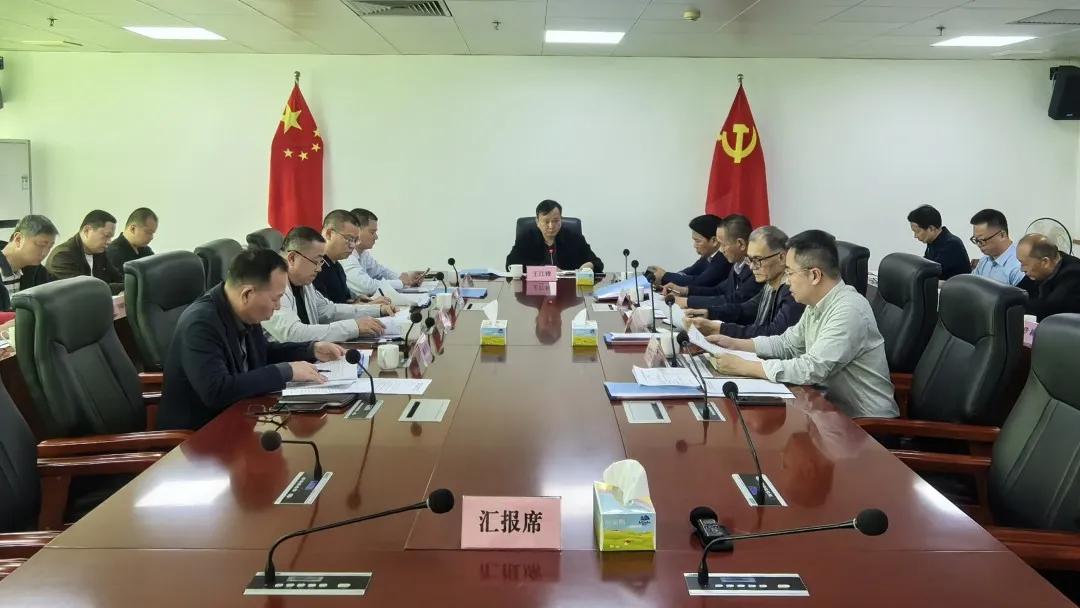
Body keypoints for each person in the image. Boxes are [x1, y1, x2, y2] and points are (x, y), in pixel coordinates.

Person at [707, 229, 898, 419]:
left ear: (815, 275)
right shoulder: (817, 303)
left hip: (865, 424)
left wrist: (745, 367)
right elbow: (787, 344)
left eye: (790, 272)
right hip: (826, 412)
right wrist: (734, 344)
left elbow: (812, 368)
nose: (787, 281)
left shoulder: (849, 310)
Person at [157, 248, 346, 430]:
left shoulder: (242, 309)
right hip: (201, 435)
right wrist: (285, 372)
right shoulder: (200, 323)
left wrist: (311, 349)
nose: (278, 307)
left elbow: (263, 352)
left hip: (242, 416)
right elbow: (217, 391)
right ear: (247, 294)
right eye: (275, 299)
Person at [263, 227, 392, 343]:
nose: (319, 269)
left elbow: (329, 311)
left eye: (321, 262)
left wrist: (377, 310)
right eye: (316, 262)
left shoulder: (303, 282)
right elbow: (292, 333)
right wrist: (353, 327)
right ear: (292, 258)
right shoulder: (272, 285)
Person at [687, 226, 804, 338]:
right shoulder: (770, 285)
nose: (752, 267)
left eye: (757, 260)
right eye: (750, 259)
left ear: (782, 258)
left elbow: (775, 334)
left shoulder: (793, 291)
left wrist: (719, 329)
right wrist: (709, 313)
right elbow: (745, 309)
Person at [670, 214, 761, 310]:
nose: (721, 250)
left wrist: (688, 302)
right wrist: (685, 291)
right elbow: (718, 290)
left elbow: (734, 300)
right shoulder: (737, 264)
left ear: (741, 244)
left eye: (723, 245)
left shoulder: (756, 270)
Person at [342, 208, 425, 297]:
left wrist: (406, 278)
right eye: (372, 232)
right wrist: (401, 282)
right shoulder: (346, 256)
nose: (376, 237)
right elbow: (366, 287)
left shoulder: (363, 254)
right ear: (357, 231)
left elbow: (381, 272)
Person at [311, 210, 388, 305]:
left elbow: (343, 301)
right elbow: (325, 310)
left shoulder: (337, 266)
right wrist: (365, 307)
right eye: (349, 239)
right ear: (329, 234)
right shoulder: (314, 266)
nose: (352, 245)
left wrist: (358, 301)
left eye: (355, 240)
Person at [505, 199, 604, 272]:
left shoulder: (574, 237)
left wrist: (590, 265)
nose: (551, 226)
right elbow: (510, 265)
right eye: (546, 221)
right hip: (535, 289)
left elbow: (597, 263)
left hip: (567, 289)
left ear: (561, 220)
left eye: (556, 221)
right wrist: (543, 271)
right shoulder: (526, 239)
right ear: (537, 221)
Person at [45, 209, 124, 294]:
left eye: (111, 237)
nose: (109, 242)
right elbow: (86, 290)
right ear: (87, 230)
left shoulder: (99, 252)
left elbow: (119, 279)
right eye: (106, 236)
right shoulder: (62, 256)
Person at [647, 214, 728, 288]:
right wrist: (663, 280)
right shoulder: (708, 256)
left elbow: (699, 282)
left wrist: (664, 276)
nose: (694, 246)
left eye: (698, 241)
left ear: (714, 241)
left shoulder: (723, 260)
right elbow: (689, 271)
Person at [0, 215, 58, 313]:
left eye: (50, 247)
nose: (45, 253)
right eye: (41, 245)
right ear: (18, 239)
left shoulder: (38, 271)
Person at [1016, 233, 1080, 321]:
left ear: (1045, 262)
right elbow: (1017, 294)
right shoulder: (1038, 270)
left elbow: (1048, 309)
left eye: (1024, 264)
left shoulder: (1074, 274)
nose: (1022, 269)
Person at [906, 204, 969, 280]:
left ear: (931, 228)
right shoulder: (932, 241)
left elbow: (931, 272)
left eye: (917, 231)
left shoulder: (951, 244)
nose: (915, 236)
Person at [970, 208, 1023, 286]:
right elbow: (971, 286)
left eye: (982, 240)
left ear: (1002, 235)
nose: (978, 244)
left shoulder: (1018, 266)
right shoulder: (984, 260)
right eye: (976, 240)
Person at [107, 207, 157, 271]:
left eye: (153, 233)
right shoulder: (113, 254)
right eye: (148, 232)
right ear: (133, 229)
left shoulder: (146, 251)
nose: (151, 237)